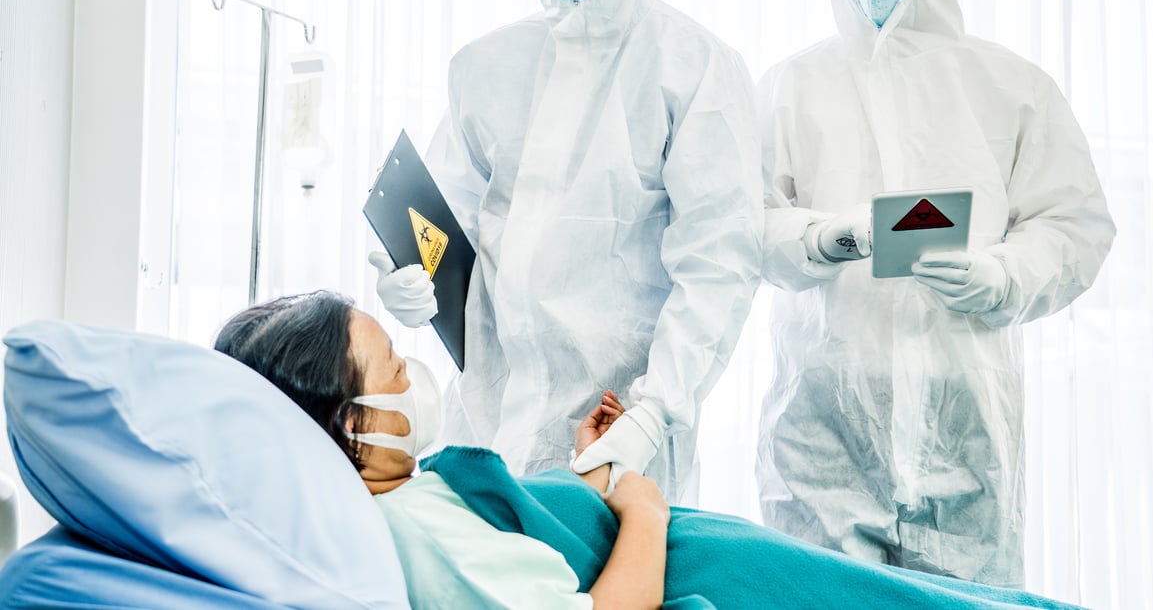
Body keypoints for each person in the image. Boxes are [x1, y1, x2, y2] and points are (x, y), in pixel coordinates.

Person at [214, 291, 1085, 610]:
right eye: (395, 367)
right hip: (699, 565)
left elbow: (524, 542)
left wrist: (586, 480)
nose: (416, 375)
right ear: (347, 425)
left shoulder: (400, 496)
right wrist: (644, 509)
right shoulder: (411, 535)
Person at [756, 0, 1116, 588]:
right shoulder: (792, 85)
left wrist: (1005, 275)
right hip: (825, 426)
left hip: (963, 426)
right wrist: (822, 236)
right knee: (817, 601)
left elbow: (1075, 224)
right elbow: (740, 221)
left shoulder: (1010, 87)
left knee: (962, 602)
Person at [368, 0, 762, 505]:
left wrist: (655, 411)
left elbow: (720, 259)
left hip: (616, 420)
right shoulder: (486, 65)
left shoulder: (691, 64)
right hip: (489, 407)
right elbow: (445, 213)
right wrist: (407, 277)